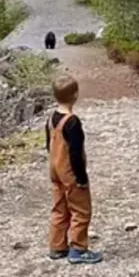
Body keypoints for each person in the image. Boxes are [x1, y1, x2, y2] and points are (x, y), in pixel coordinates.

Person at [45, 74, 101, 264]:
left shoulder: (51, 118)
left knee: (59, 208)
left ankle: (57, 246)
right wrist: (81, 177)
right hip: (70, 172)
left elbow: (49, 145)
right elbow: (76, 153)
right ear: (75, 95)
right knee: (80, 210)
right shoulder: (72, 122)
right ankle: (78, 248)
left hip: (54, 170)